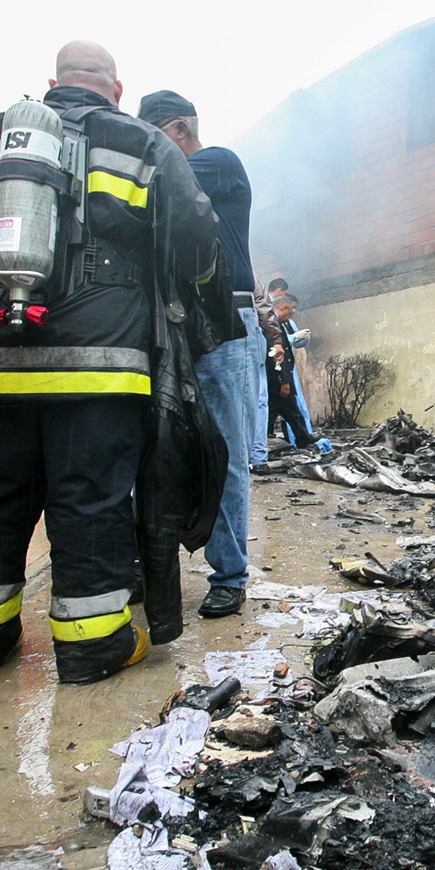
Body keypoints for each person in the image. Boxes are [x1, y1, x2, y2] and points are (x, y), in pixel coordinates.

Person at [0, 40, 219, 683]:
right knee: (89, 497)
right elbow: (197, 236)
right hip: (100, 365)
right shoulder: (143, 144)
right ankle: (92, 646)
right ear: (116, 90)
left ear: (53, 83)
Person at [140, 89, 260, 620]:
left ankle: (230, 574)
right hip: (174, 320)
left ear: (179, 130)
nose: (145, 150)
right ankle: (148, 568)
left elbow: (158, 189)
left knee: (225, 451)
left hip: (225, 318)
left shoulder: (216, 163)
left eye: (153, 138)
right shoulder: (178, 163)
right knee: (159, 448)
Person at [267, 296, 318, 448]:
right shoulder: (273, 325)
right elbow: (277, 356)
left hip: (279, 378)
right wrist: (284, 381)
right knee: (272, 411)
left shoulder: (278, 323)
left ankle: (304, 438)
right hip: (277, 379)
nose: (289, 318)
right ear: (282, 308)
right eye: (289, 314)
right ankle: (264, 441)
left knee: (292, 411)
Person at [250, 276, 290, 466]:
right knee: (259, 399)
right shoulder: (250, 275)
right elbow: (263, 309)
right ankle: (256, 456)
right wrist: (276, 339)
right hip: (248, 339)